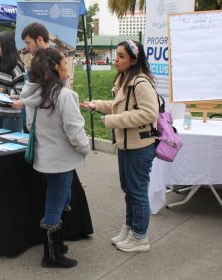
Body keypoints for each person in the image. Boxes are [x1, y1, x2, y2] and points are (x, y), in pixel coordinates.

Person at [81, 39, 158, 252]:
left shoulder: (141, 82)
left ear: (134, 60)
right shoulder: (125, 79)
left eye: (121, 56)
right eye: (116, 55)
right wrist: (97, 105)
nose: (116, 59)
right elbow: (118, 106)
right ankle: (131, 227)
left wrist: (112, 121)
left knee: (137, 191)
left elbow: (149, 113)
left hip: (140, 146)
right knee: (129, 189)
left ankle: (140, 237)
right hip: (126, 145)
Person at [20, 47, 90, 268]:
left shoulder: (33, 96)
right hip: (61, 162)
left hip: (44, 160)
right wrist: (84, 148)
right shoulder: (64, 96)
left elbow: (30, 126)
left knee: (62, 200)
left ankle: (57, 244)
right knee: (55, 204)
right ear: (57, 68)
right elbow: (75, 133)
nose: (67, 67)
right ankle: (51, 255)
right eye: (64, 63)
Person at [12, 22, 51, 131]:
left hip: (41, 123)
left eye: (28, 43)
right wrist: (22, 98)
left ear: (39, 39)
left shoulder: (52, 60)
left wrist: (24, 102)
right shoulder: (39, 59)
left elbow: (49, 92)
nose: (26, 47)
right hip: (31, 120)